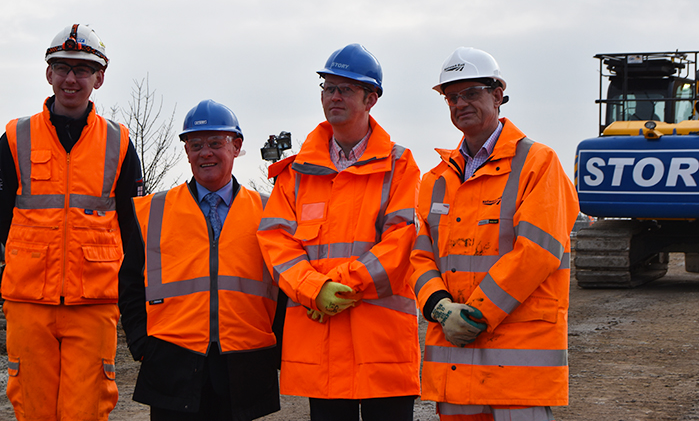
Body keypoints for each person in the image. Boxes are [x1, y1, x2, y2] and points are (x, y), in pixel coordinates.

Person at [410, 47, 579, 421]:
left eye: (471, 93)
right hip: (454, 365)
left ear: (498, 95)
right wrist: (440, 307)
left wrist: (474, 315)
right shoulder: (435, 180)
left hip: (518, 371)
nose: (460, 103)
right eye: (452, 97)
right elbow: (419, 257)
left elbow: (536, 252)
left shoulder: (538, 164)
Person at [257, 43, 421, 421]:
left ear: (371, 99)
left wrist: (342, 285)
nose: (334, 96)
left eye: (345, 89)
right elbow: (275, 241)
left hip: (380, 346)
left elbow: (401, 239)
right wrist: (314, 289)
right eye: (328, 88)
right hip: (323, 347)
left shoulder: (399, 165)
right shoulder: (296, 172)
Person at [0, 24, 143, 420]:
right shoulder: (16, 137)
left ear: (99, 78)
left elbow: (134, 228)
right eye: (62, 67)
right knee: (33, 408)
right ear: (48, 74)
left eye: (82, 69)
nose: (71, 78)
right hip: (28, 301)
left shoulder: (119, 142)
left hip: (94, 301)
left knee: (87, 408)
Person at [119, 99, 281, 421]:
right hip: (171, 364)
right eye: (196, 144)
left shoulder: (269, 212)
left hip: (244, 366)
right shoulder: (152, 211)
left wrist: (276, 350)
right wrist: (141, 344)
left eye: (215, 143)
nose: (205, 152)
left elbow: (285, 283)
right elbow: (130, 286)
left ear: (236, 147)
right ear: (186, 151)